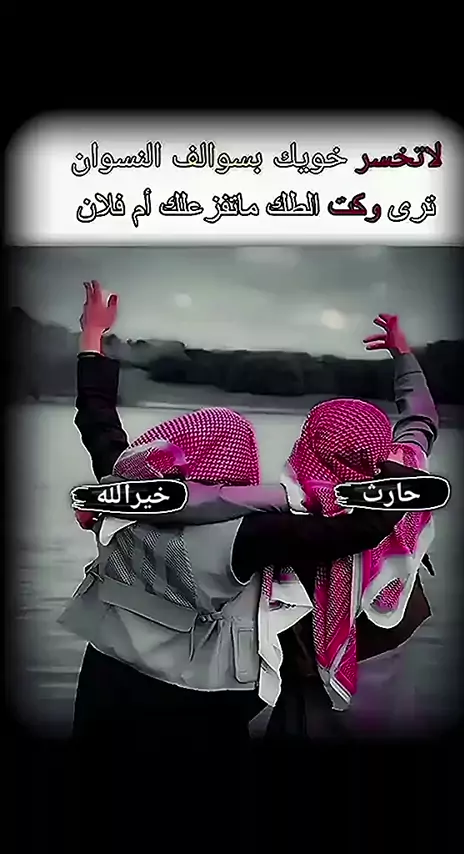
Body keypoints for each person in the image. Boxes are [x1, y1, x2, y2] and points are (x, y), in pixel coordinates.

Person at [62, 284, 433, 756]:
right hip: (192, 698)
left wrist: (91, 338)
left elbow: (98, 422)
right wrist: (397, 481)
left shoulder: (125, 494)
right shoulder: (255, 535)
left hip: (105, 673)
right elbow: (354, 527)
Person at [264, 314, 439, 739]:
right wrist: (404, 356)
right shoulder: (404, 477)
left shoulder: (287, 517)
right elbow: (420, 419)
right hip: (395, 644)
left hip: (314, 678)